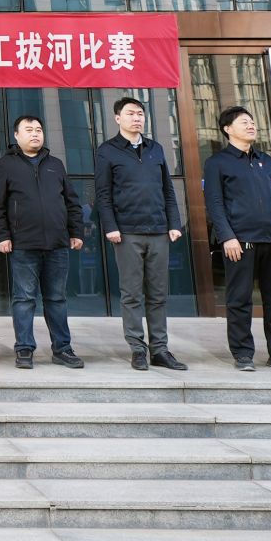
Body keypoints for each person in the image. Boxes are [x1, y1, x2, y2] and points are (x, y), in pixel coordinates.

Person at [204, 107, 271, 373]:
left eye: (252, 121)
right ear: (227, 129)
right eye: (244, 122)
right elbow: (215, 203)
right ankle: (242, 354)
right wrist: (227, 237)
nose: (251, 125)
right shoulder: (217, 162)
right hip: (240, 241)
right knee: (239, 300)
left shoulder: (267, 161)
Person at [0, 114, 85, 370]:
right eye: (29, 130)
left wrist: (75, 232)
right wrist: (2, 236)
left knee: (57, 299)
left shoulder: (55, 164)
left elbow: (71, 202)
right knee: (24, 299)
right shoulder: (4, 165)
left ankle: (62, 349)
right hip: (23, 244)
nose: (35, 134)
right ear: (16, 135)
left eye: (39, 130)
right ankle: (24, 348)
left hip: (57, 244)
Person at [95, 97, 186, 371]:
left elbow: (167, 189)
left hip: (158, 230)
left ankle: (160, 349)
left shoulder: (155, 149)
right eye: (130, 113)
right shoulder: (107, 151)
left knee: (158, 294)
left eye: (140, 114)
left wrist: (174, 223)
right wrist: (110, 226)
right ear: (117, 118)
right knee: (132, 294)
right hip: (127, 232)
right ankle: (137, 348)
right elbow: (103, 194)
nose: (137, 118)